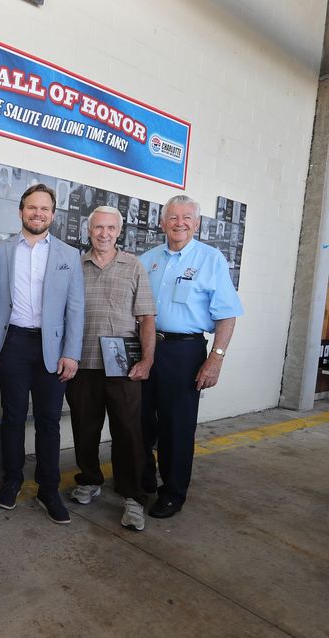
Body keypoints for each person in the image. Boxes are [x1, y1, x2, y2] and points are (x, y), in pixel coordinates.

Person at [139, 195, 243, 518]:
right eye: (173, 217)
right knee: (140, 420)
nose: (179, 223)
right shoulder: (147, 260)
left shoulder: (211, 260)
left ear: (196, 224)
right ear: (162, 222)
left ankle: (173, 492)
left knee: (176, 426)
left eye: (187, 218)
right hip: (146, 347)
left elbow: (227, 315)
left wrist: (217, 357)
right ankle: (143, 481)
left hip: (185, 352)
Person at [0, 184, 84, 523]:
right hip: (12, 344)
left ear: (53, 215)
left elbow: (75, 308)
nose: (38, 213)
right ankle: (12, 480)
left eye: (44, 209)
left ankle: (48, 489)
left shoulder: (68, 255)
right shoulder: (1, 251)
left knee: (48, 421)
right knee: (13, 416)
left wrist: (71, 353)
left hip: (52, 348)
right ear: (21, 211)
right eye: (32, 207)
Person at [65, 206, 156, 531]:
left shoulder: (133, 267)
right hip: (83, 363)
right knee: (84, 429)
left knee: (128, 433)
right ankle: (90, 480)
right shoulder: (76, 266)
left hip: (124, 367)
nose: (104, 233)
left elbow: (146, 319)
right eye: (98, 227)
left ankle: (132, 497)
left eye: (110, 228)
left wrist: (147, 361)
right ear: (89, 231)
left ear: (120, 232)